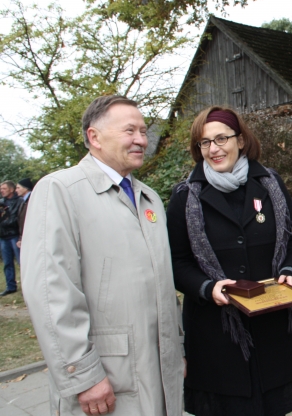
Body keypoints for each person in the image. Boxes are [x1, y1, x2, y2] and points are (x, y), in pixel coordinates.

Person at [21, 95, 184, 416]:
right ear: (94, 137)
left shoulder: (148, 198)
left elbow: (162, 284)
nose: (141, 140)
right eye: (129, 131)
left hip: (158, 372)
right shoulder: (60, 191)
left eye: (143, 131)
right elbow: (50, 292)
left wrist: (176, 352)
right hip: (107, 378)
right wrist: (82, 375)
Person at [166, 106, 292, 415]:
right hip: (216, 340)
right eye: (204, 142)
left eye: (222, 138)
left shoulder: (270, 185)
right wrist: (207, 288)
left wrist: (290, 270)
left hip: (273, 333)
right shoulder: (184, 197)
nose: (214, 149)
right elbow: (176, 262)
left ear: (242, 140)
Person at [0, 180, 23, 296]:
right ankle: (11, 286)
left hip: (15, 235)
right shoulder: (1, 203)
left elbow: (17, 218)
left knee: (21, 262)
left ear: (11, 189)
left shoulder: (19, 201)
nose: (1, 190)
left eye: (4, 188)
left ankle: (26, 285)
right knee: (7, 263)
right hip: (3, 236)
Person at [15, 178, 33, 249]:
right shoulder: (23, 201)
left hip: (30, 236)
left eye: (18, 188)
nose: (16, 190)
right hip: (25, 236)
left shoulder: (31, 200)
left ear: (25, 188)